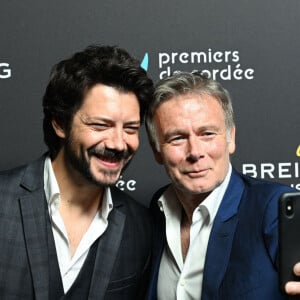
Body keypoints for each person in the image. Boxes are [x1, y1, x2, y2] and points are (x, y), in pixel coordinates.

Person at [0, 45, 154, 299]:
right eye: (100, 125)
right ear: (60, 123)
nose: (117, 143)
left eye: (130, 128)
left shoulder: (142, 227)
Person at [145, 71, 296, 299]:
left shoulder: (275, 209)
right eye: (177, 138)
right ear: (157, 149)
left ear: (230, 138)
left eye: (207, 134)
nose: (195, 152)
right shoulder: (156, 211)